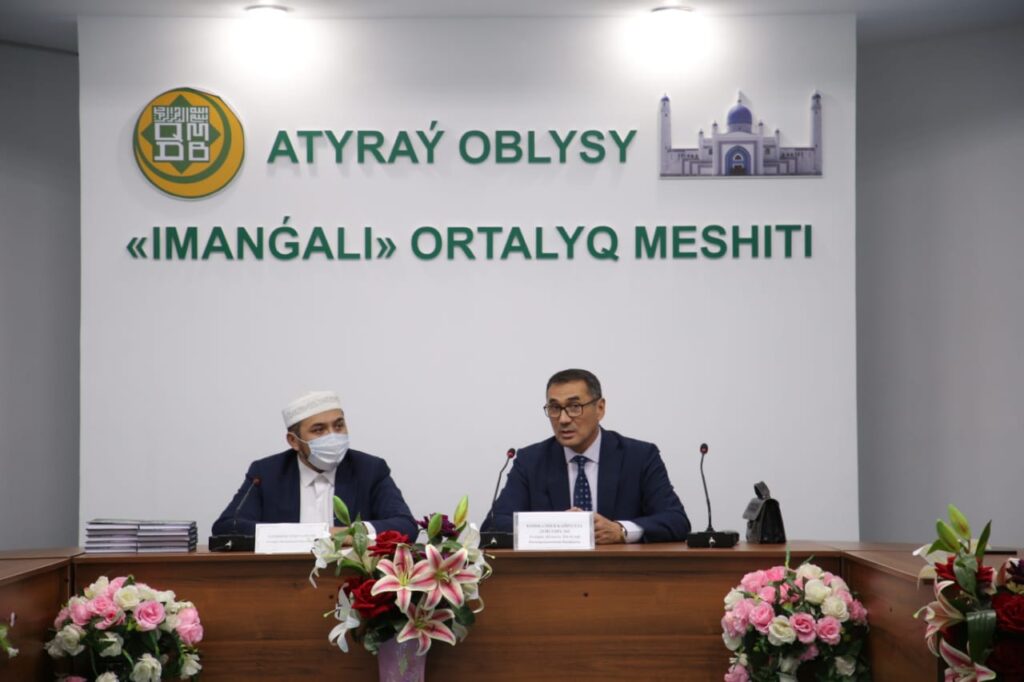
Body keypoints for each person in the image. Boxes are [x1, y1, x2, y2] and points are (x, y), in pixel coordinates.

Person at [482, 369, 689, 543]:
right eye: (554, 408)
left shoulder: (639, 456)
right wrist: (557, 528)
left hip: (623, 577)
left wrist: (621, 531)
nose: (563, 419)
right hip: (553, 577)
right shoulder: (531, 461)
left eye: (574, 407)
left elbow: (676, 521)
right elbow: (492, 526)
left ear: (600, 408)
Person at [212, 390, 417, 538]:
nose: (332, 436)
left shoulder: (369, 469)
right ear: (293, 441)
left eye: (339, 426)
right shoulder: (267, 473)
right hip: (285, 580)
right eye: (319, 430)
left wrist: (353, 532)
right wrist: (298, 535)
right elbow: (228, 526)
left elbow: (405, 525)